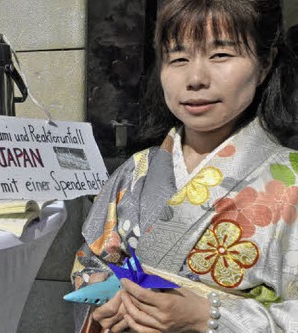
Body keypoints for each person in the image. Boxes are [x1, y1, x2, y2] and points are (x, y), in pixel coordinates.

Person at [70, 0, 298, 332]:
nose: (195, 78)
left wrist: (209, 316)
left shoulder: (290, 184)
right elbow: (88, 262)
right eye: (178, 58)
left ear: (265, 64)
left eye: (220, 54)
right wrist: (105, 299)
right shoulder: (134, 172)